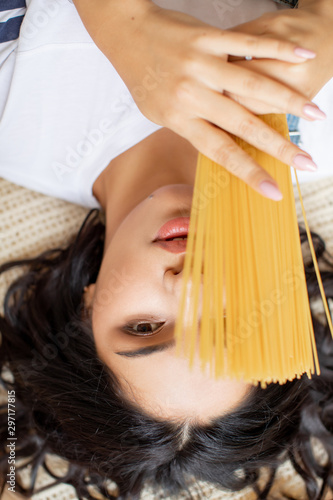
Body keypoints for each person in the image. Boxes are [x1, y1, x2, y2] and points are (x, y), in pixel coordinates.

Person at [0, 0, 333, 498]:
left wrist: (121, 25)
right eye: (225, 323)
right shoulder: (316, 129)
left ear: (86, 308)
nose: (189, 284)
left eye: (144, 327)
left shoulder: (14, 122)